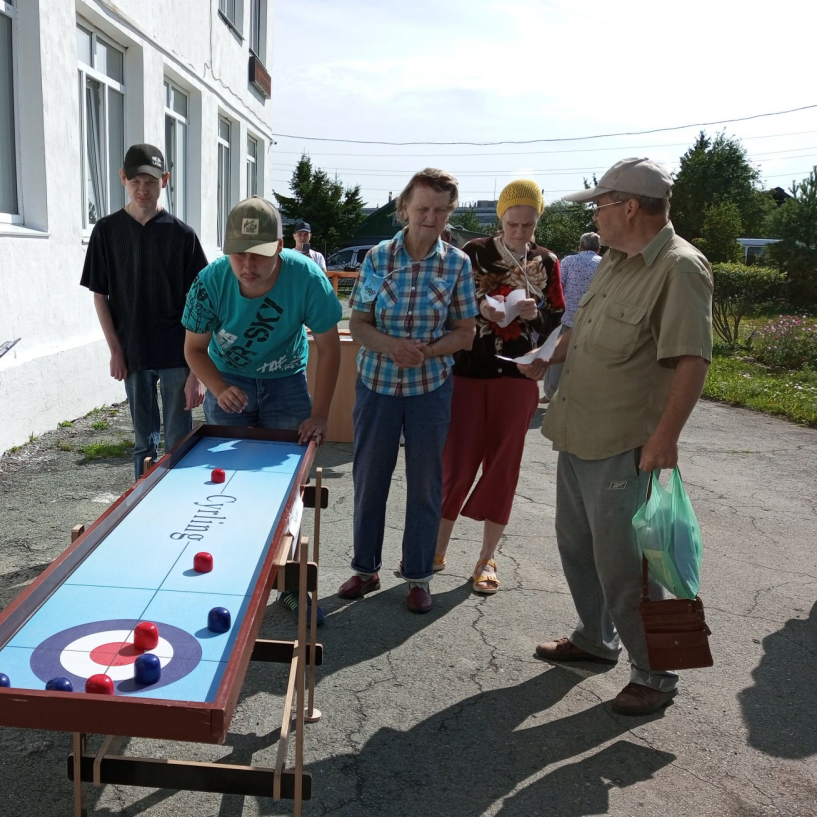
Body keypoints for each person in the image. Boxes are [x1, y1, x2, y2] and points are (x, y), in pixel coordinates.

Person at [520, 157, 713, 716]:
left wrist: (665, 438)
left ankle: (657, 674)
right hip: (580, 431)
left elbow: (692, 360)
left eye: (600, 205)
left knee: (634, 567)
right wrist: (547, 356)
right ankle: (595, 639)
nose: (595, 216)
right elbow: (581, 328)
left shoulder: (679, 268)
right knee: (579, 549)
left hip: (628, 444)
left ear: (630, 207)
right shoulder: (616, 259)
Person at [182, 196, 342, 620]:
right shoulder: (209, 281)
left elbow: (330, 348)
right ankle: (228, 578)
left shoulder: (307, 276)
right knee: (225, 484)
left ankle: (289, 586)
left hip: (286, 380)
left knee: (287, 489)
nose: (248, 266)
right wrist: (218, 387)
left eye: (259, 255)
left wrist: (321, 414)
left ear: (280, 248)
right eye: (238, 255)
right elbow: (194, 349)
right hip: (227, 378)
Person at [338, 169, 477, 613]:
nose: (430, 217)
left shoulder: (457, 264)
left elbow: (466, 332)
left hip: (429, 389)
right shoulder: (377, 258)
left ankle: (418, 576)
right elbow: (359, 324)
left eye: (440, 210)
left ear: (449, 212)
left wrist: (428, 351)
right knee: (369, 480)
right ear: (404, 209)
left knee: (424, 485)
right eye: (422, 209)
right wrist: (392, 346)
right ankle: (365, 569)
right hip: (376, 385)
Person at [435, 180, 565, 595]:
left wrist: (535, 317)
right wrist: (483, 307)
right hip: (469, 371)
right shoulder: (474, 251)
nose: (520, 232)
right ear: (501, 218)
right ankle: (435, 549)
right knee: (457, 463)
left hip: (518, 376)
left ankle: (487, 558)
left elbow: (559, 320)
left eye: (528, 225)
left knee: (504, 466)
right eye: (513, 224)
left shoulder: (547, 260)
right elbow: (450, 302)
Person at [82, 143, 209, 479]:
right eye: (136, 181)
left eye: (151, 181)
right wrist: (115, 351)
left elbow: (200, 305)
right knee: (143, 444)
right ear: (123, 178)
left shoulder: (182, 235)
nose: (143, 189)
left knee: (179, 441)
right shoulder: (106, 232)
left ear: (164, 180)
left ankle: (178, 499)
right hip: (133, 353)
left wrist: (196, 373)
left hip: (177, 355)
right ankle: (142, 501)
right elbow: (100, 297)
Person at [543, 231, 601, 400]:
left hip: (567, 316)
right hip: (593, 318)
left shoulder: (569, 261)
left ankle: (551, 393)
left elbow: (558, 287)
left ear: (580, 246)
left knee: (557, 355)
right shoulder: (604, 264)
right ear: (598, 249)